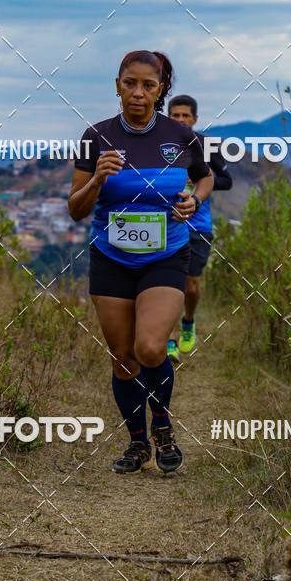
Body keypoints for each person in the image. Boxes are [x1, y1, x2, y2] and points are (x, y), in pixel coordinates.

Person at [68, 52, 214, 475]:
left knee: (150, 348)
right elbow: (75, 210)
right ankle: (137, 443)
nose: (138, 92)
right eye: (130, 83)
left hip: (166, 255)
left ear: (160, 90)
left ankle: (162, 426)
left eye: (148, 85)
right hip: (111, 258)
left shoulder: (181, 135)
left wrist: (195, 200)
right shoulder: (95, 137)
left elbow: (205, 176)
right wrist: (97, 179)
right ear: (117, 85)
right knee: (123, 358)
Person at [166, 94, 233, 364]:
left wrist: (200, 182)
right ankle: (170, 340)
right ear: (168, 117)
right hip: (166, 223)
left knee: (191, 287)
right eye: (175, 115)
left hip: (198, 226)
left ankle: (188, 322)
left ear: (195, 119)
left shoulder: (206, 145)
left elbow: (227, 180)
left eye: (186, 115)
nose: (181, 120)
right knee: (169, 285)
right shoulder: (160, 143)